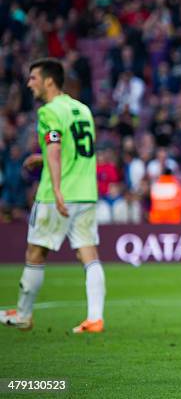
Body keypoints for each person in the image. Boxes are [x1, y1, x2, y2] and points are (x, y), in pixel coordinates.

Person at [0, 58, 105, 334]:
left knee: (36, 252)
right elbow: (71, 150)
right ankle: (95, 318)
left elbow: (57, 149)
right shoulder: (83, 110)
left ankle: (23, 314)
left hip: (56, 195)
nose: (29, 83)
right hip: (86, 193)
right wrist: (43, 157)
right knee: (88, 254)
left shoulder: (49, 112)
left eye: (33, 77)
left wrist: (56, 189)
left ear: (49, 81)